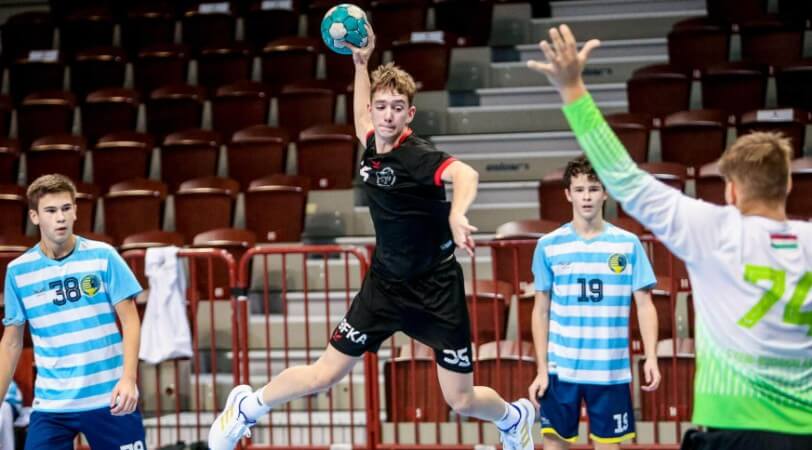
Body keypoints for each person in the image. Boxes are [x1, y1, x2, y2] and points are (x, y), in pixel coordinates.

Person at [208, 23, 535, 450]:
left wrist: (457, 213)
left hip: (436, 288)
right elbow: (361, 116)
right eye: (382, 107)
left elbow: (465, 173)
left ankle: (514, 418)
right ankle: (246, 408)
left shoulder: (417, 155)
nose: (387, 115)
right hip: (384, 286)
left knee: (461, 399)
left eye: (397, 108)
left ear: (409, 114)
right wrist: (360, 64)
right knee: (324, 373)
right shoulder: (370, 140)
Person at [526, 24, 812, 450]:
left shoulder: (712, 231)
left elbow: (623, 177)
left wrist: (572, 89)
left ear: (731, 191)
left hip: (729, 427)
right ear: (788, 185)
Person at [0, 174, 145, 450]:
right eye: (51, 211)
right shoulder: (18, 271)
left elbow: (130, 322)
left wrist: (129, 379)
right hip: (52, 405)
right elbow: (11, 343)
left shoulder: (104, 256)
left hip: (110, 398)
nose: (60, 218)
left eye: (66, 208)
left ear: (75, 211)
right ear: (34, 217)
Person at [528, 155, 660, 449]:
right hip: (561, 370)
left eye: (593, 189)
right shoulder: (548, 246)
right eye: (579, 189)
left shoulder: (629, 244)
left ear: (605, 192)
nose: (586, 197)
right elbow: (540, 311)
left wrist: (651, 356)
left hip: (610, 370)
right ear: (568, 194)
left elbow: (645, 305)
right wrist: (542, 368)